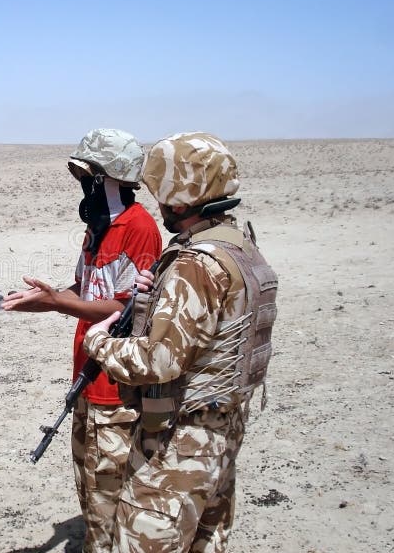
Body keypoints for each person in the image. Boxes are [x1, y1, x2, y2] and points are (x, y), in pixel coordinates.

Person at [83, 132, 279, 552]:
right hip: (223, 434)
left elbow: (158, 360)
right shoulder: (239, 248)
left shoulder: (196, 263)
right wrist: (151, 300)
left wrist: (98, 343)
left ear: (179, 196)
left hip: (179, 442)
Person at [1, 128, 162, 553]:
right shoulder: (98, 227)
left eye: (86, 177)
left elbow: (125, 310)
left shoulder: (139, 228)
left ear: (109, 178)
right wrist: (43, 300)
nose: (82, 186)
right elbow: (83, 290)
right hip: (86, 384)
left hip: (117, 391)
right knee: (91, 495)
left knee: (112, 502)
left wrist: (58, 303)